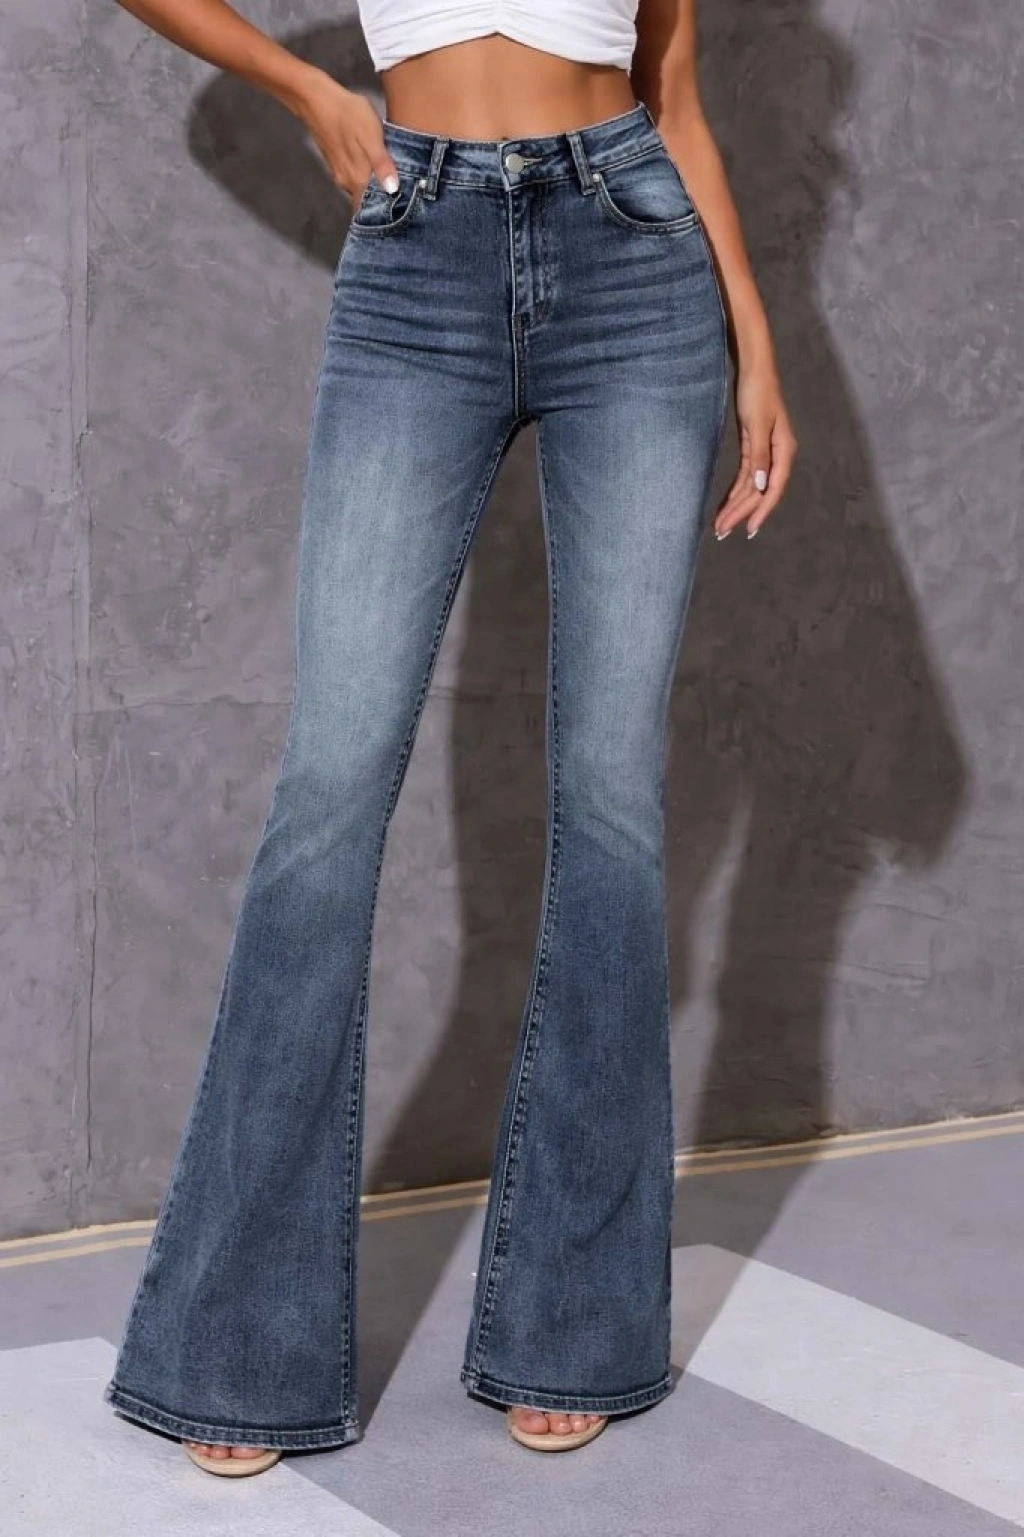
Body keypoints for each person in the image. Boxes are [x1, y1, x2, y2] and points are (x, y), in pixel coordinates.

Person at [103, 0, 798, 1477]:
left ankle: (575, 1328)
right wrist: (302, 87)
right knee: (330, 790)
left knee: (611, 804)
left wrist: (753, 338)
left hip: (637, 258)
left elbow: (674, 94)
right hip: (419, 255)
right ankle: (239, 1352)